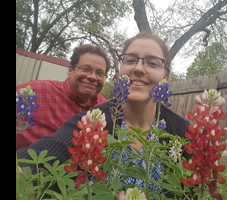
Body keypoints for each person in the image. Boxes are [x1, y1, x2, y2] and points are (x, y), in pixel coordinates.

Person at [17, 32, 190, 195]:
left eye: (152, 63)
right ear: (120, 70)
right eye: (130, 60)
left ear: (166, 77)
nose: (138, 68)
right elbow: (40, 160)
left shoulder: (182, 130)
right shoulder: (92, 120)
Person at [16, 44, 110, 150]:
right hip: (31, 163)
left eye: (99, 73)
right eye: (85, 69)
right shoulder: (37, 90)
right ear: (70, 70)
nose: (92, 77)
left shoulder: (104, 106)